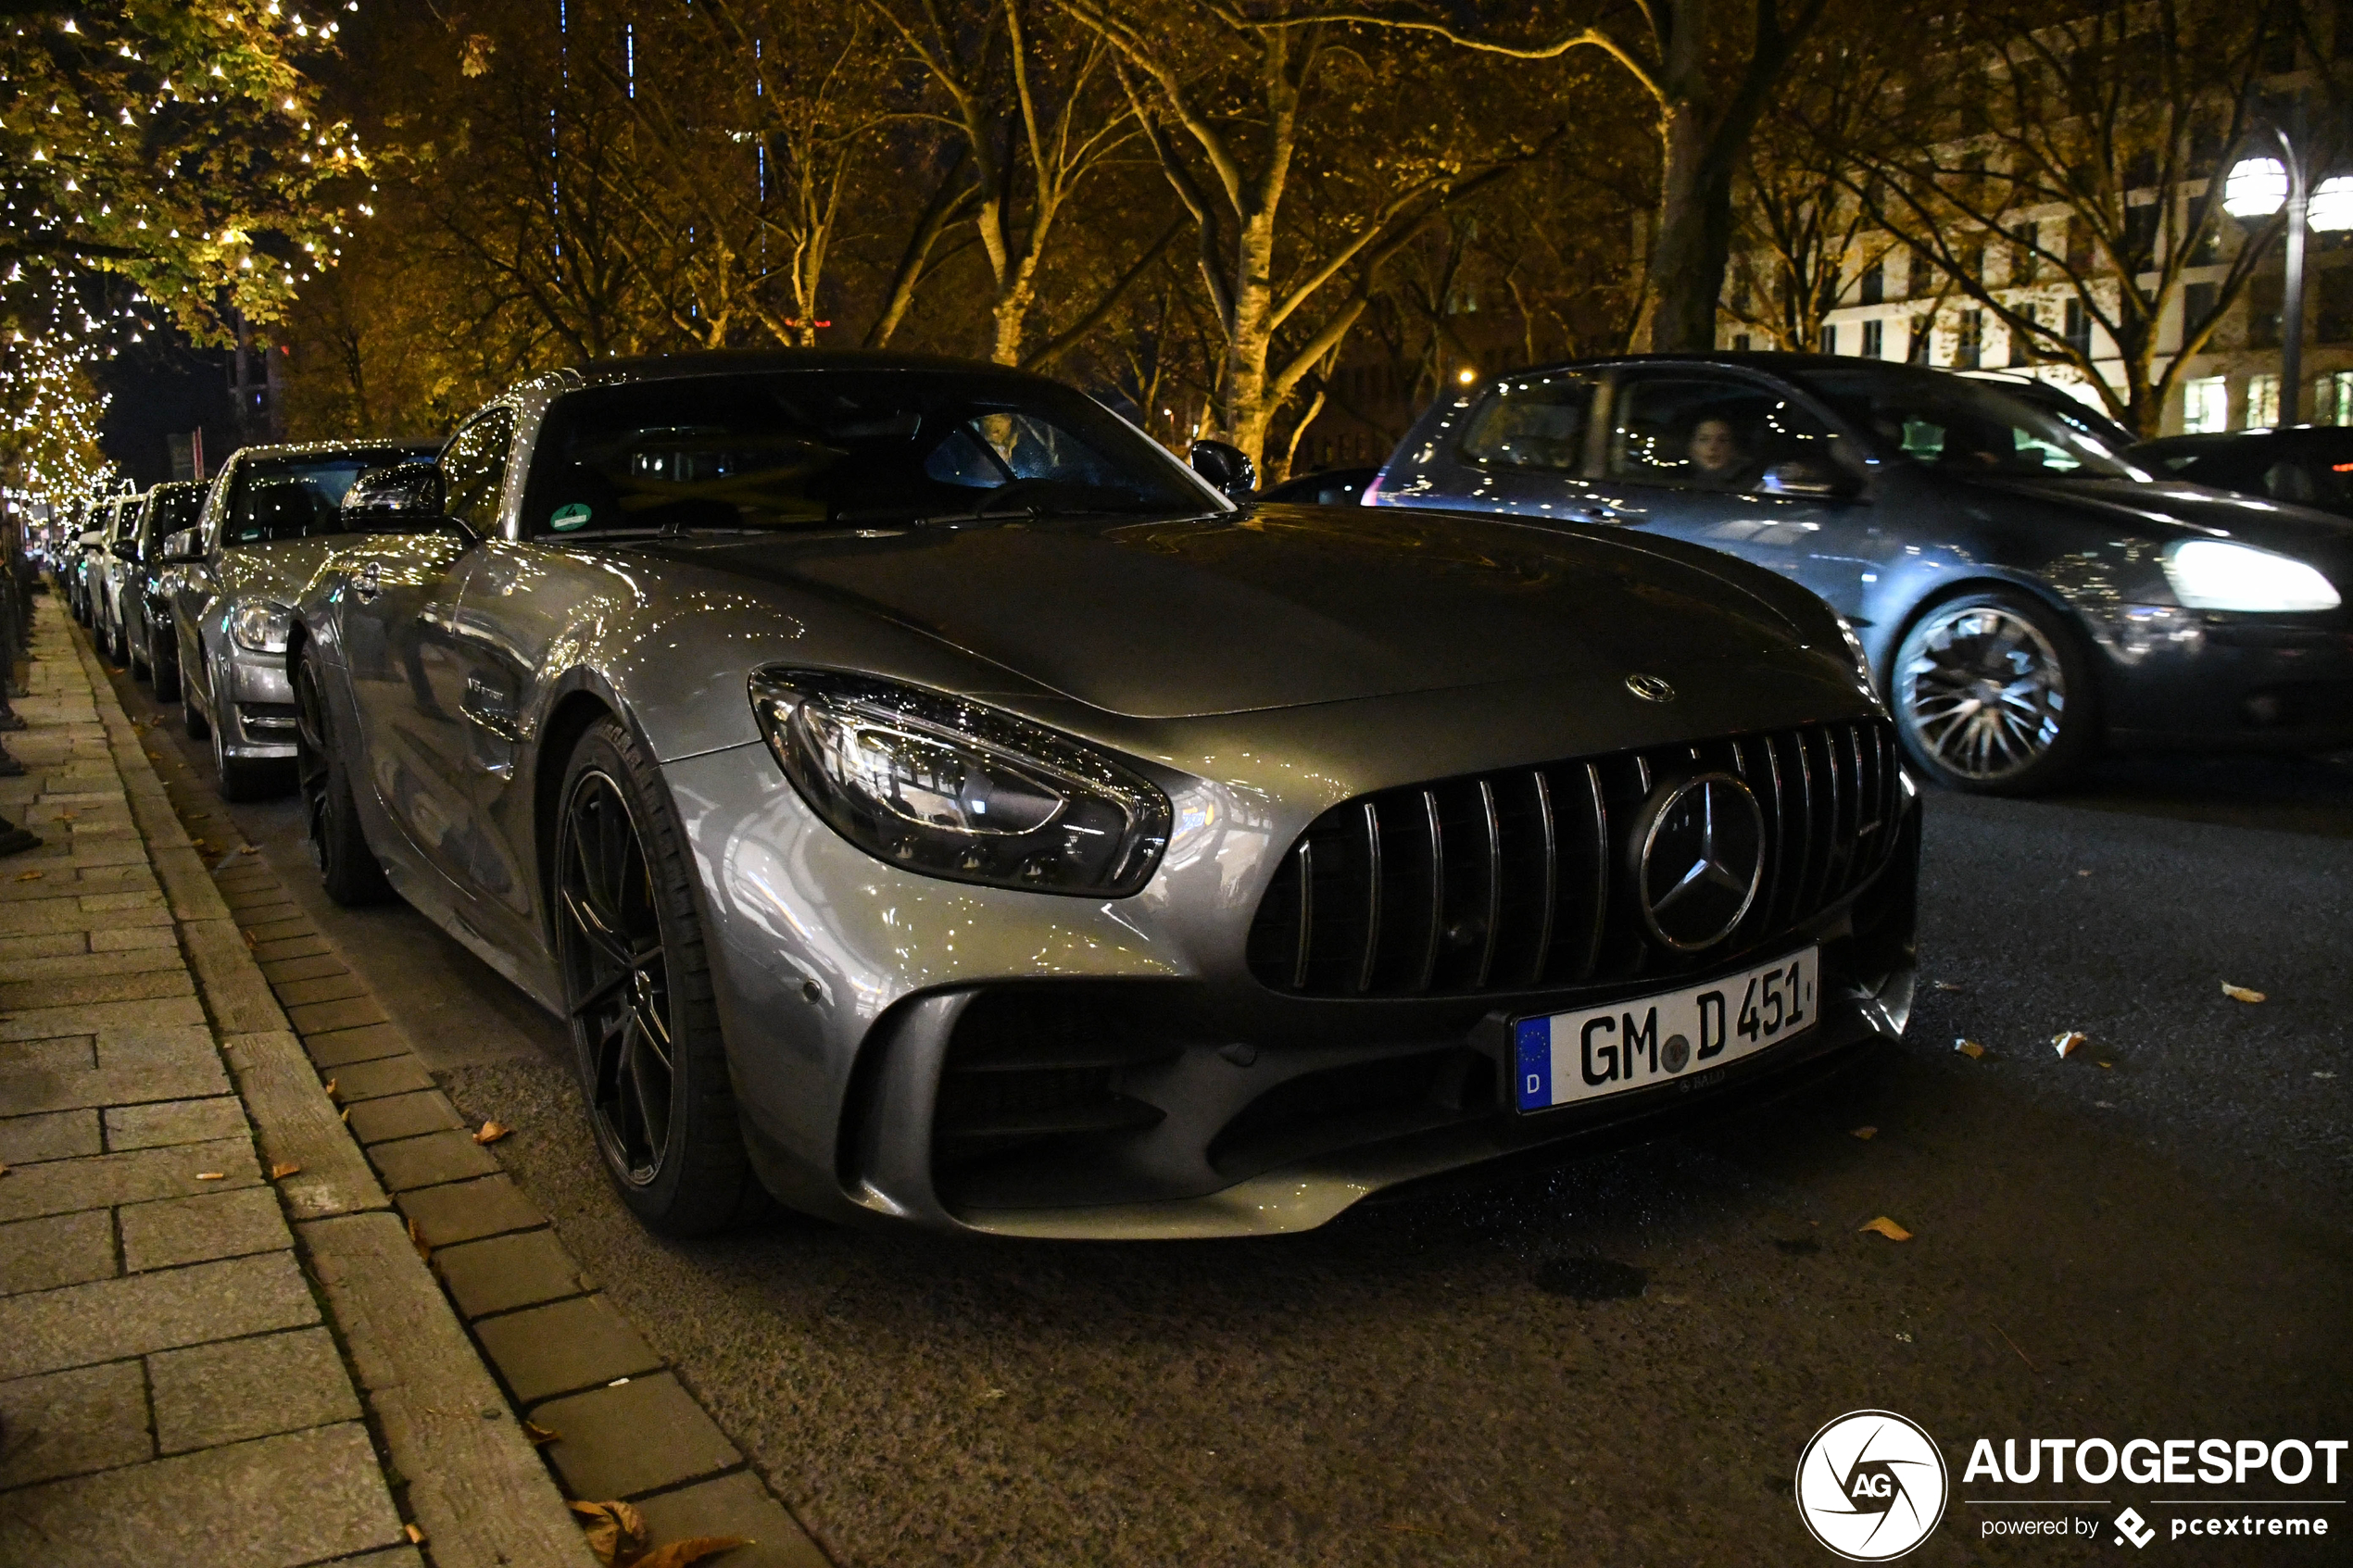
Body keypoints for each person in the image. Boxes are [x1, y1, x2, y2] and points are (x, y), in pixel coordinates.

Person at [1686, 416, 1755, 487]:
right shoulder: (1679, 481)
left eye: (1722, 440)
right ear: (1691, 447)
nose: (1713, 447)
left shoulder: (1754, 484)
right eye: (1704, 440)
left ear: (1734, 447)